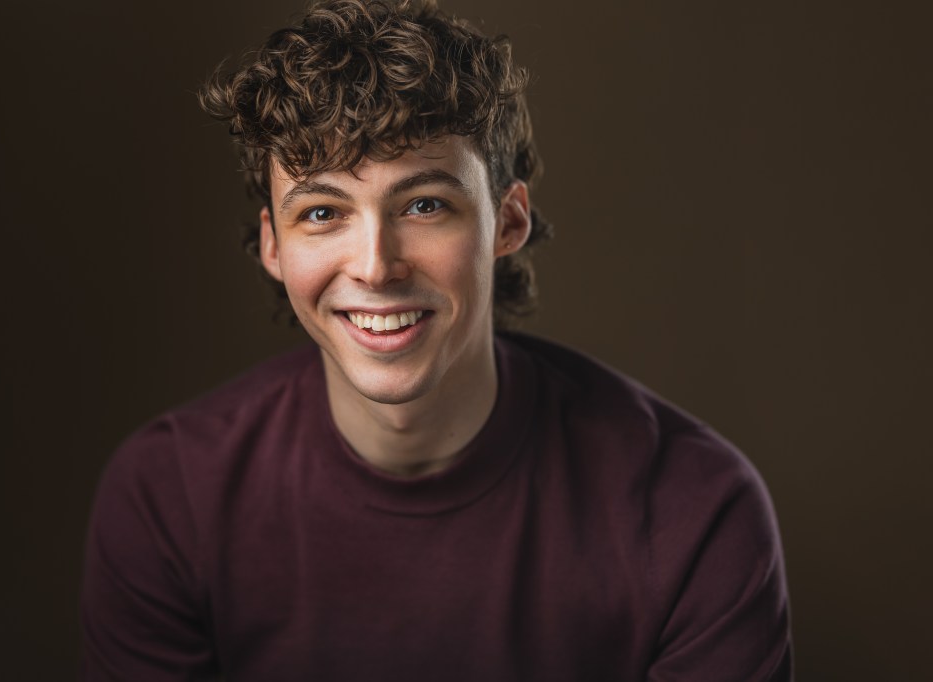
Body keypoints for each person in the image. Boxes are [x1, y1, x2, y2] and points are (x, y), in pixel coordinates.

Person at [79, 1, 793, 679]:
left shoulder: (693, 511)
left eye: (425, 205)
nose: (375, 266)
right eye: (323, 211)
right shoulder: (168, 500)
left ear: (507, 223)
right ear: (273, 246)